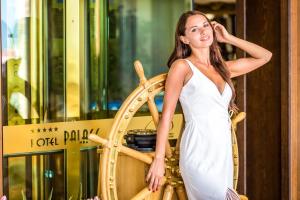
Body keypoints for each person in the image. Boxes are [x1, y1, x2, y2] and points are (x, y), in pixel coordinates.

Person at [146, 10, 272, 200]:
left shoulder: (224, 68)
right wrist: (158, 160)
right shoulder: (182, 67)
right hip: (197, 153)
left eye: (206, 25)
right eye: (194, 29)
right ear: (184, 39)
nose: (203, 32)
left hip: (222, 154)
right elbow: (166, 116)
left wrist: (229, 38)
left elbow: (265, 56)